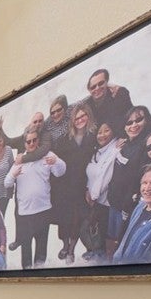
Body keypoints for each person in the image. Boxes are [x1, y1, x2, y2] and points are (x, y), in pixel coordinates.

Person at [4, 126, 66, 268]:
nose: (31, 143)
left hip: (44, 211)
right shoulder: (20, 159)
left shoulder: (47, 155)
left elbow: (60, 172)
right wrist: (13, 175)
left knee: (41, 251)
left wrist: (56, 161)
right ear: (24, 143)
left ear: (38, 140)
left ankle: (40, 275)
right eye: (28, 141)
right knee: (26, 251)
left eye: (34, 140)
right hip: (25, 214)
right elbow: (6, 183)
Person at [106, 106, 151, 250]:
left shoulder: (147, 146)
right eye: (129, 122)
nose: (134, 125)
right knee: (111, 240)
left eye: (139, 120)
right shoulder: (125, 144)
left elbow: (141, 179)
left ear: (147, 120)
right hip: (114, 202)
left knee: (122, 245)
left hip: (128, 207)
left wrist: (128, 205)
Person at [52, 103, 96, 263]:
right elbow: (56, 161)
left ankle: (71, 250)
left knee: (77, 220)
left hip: (82, 187)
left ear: (88, 116)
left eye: (83, 116)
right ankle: (65, 245)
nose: (80, 120)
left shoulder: (93, 137)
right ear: (72, 120)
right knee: (64, 219)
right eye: (76, 118)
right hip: (64, 187)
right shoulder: (65, 139)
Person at [83, 123, 117, 260]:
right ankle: (95, 253)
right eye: (99, 132)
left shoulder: (115, 150)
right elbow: (91, 173)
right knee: (93, 230)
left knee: (102, 235)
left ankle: (100, 261)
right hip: (94, 200)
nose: (102, 135)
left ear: (113, 132)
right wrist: (87, 189)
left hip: (104, 202)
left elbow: (105, 176)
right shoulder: (98, 151)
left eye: (106, 131)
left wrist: (94, 196)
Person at [82, 68, 132, 137]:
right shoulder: (87, 104)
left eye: (101, 83)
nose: (97, 88)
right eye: (93, 87)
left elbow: (125, 119)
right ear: (89, 90)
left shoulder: (120, 93)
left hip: (125, 134)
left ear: (107, 82)